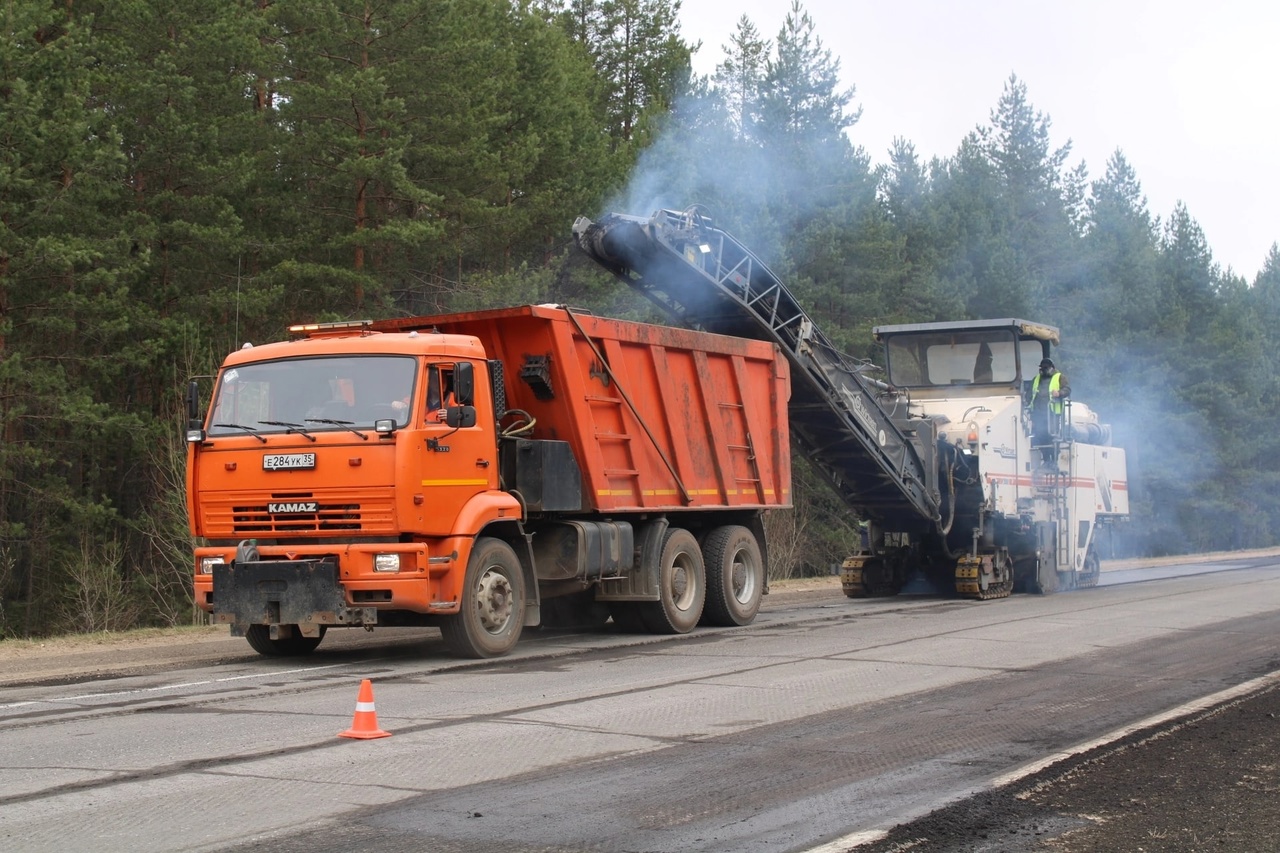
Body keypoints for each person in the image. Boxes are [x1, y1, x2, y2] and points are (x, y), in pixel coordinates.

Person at [1028, 357, 1070, 463]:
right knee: (1040, 436)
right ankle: (1046, 460)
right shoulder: (1036, 379)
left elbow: (1067, 390)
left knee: (1052, 437)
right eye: (1042, 368)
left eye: (1046, 368)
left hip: (1052, 414)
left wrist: (1059, 393)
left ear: (1052, 368)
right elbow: (1029, 395)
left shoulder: (1060, 377)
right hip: (1038, 414)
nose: (1043, 370)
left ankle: (1054, 460)